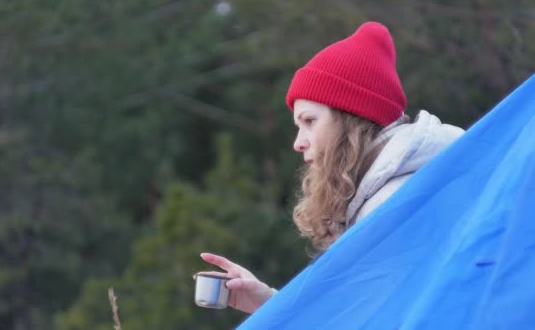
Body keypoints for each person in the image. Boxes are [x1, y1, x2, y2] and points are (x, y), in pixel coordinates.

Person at [197, 21, 464, 314]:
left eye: (310, 121)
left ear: (351, 119)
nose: (298, 142)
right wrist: (269, 305)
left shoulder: (395, 203)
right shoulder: (391, 192)